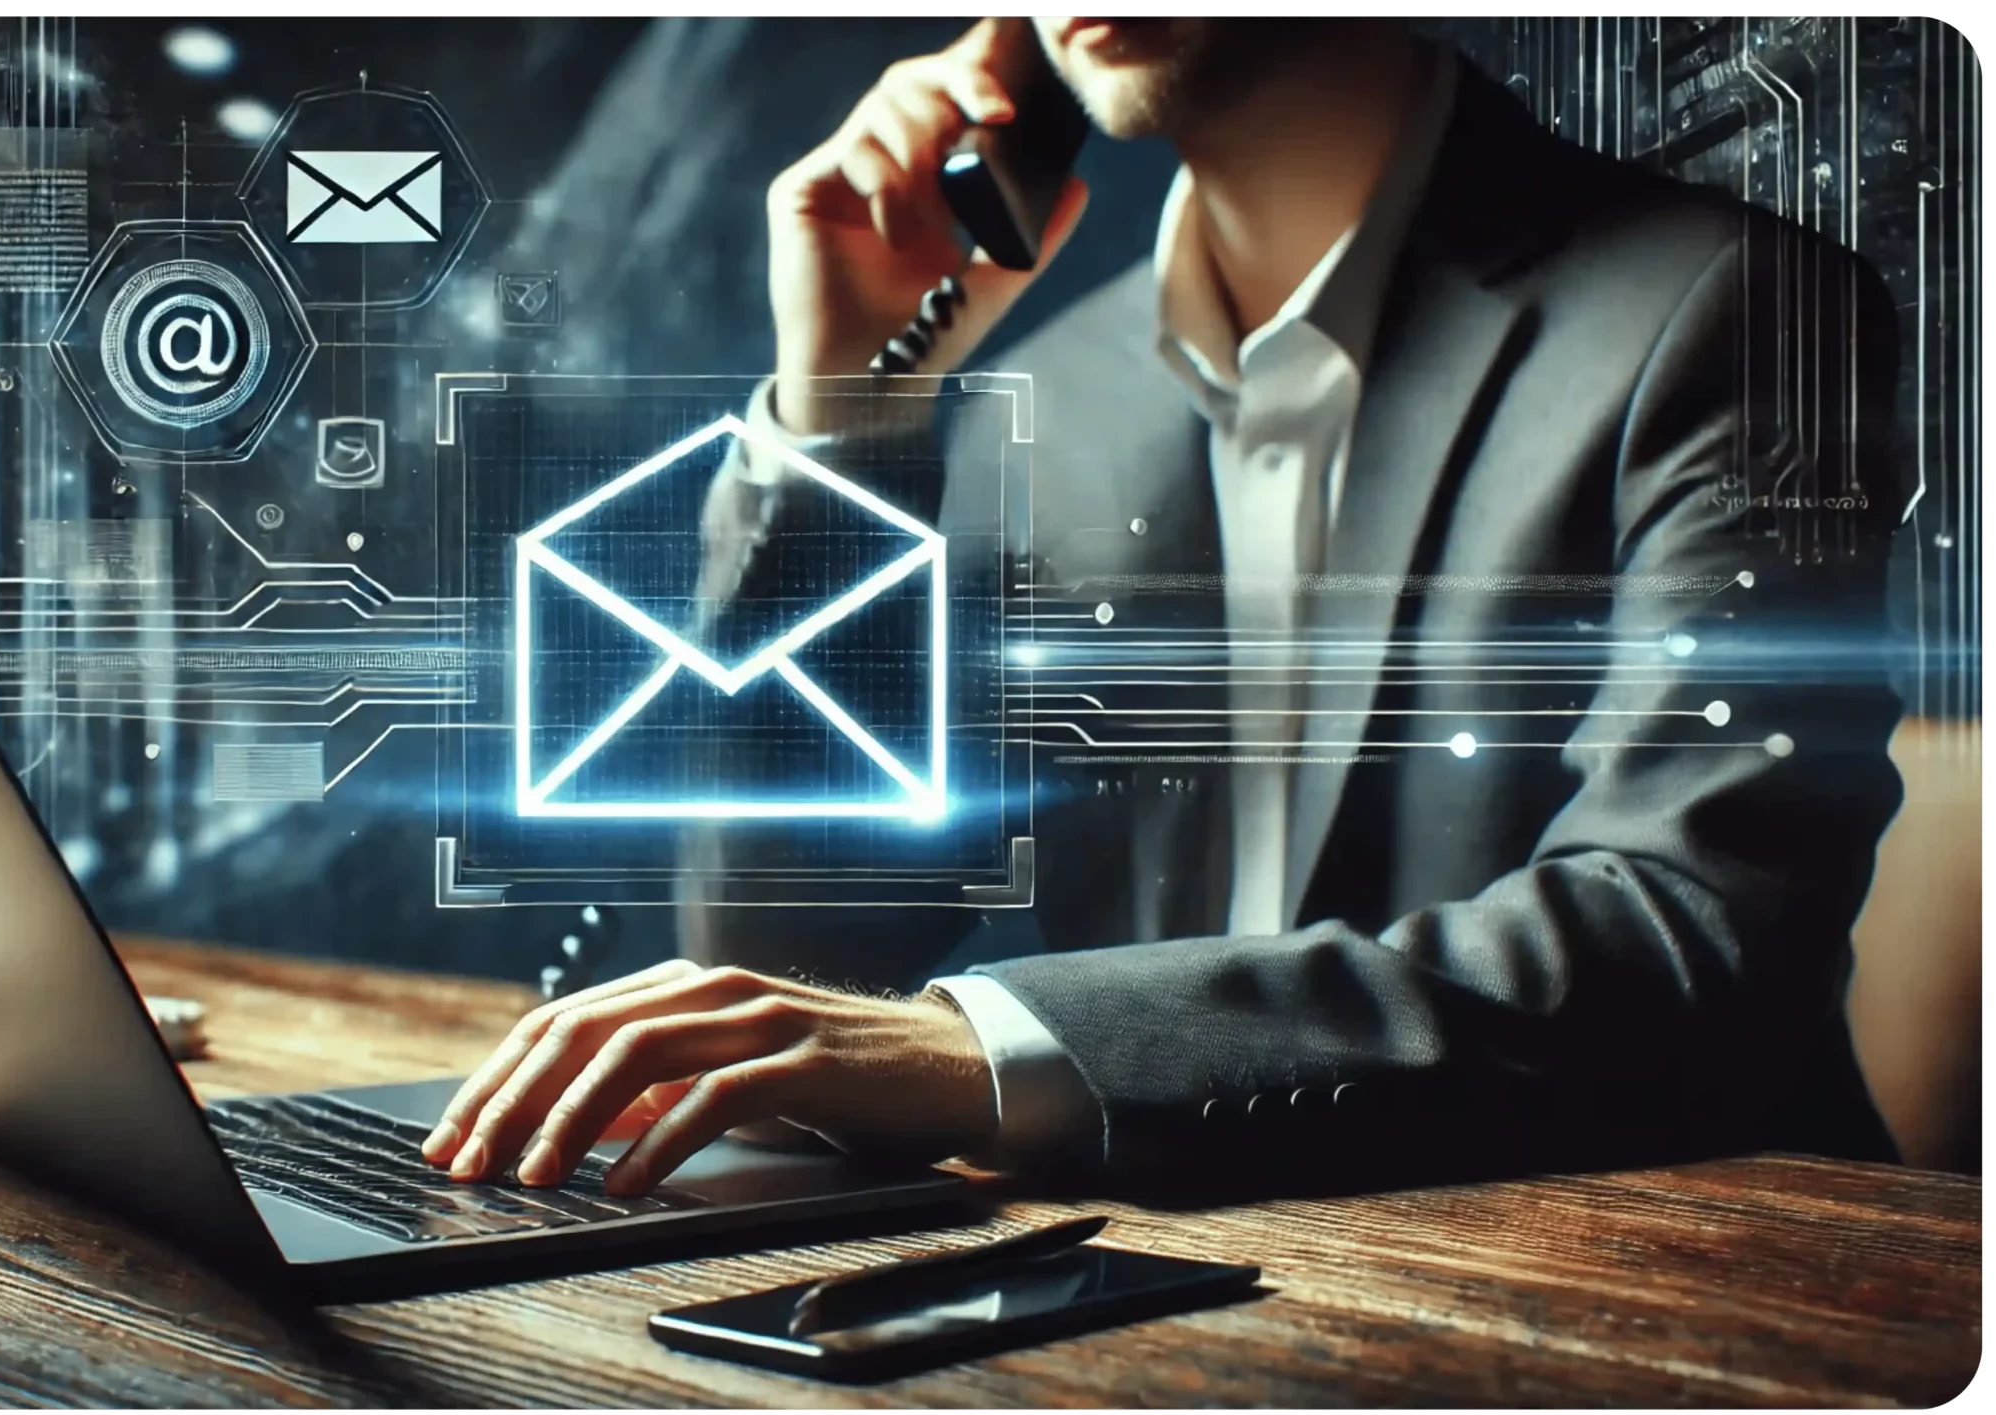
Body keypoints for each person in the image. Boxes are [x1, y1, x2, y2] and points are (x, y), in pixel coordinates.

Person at [420, 16, 1904, 1197]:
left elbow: (1688, 938)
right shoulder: (1056, 387)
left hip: (1667, 1268)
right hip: (1174, 1276)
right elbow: (809, 958)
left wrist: (992, 1048)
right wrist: (838, 428)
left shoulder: (1734, 308)